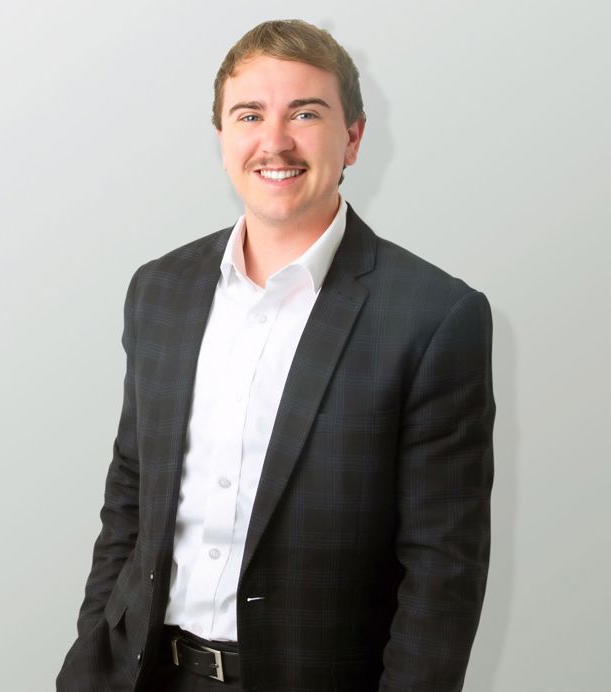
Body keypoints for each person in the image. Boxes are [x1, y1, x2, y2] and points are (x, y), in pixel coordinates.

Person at [57, 18, 494, 692]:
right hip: (140, 674)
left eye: (306, 113)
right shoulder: (160, 290)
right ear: (222, 137)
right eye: (250, 114)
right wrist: (92, 654)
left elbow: (443, 571)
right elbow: (130, 496)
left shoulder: (433, 318)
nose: (275, 141)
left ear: (353, 138)